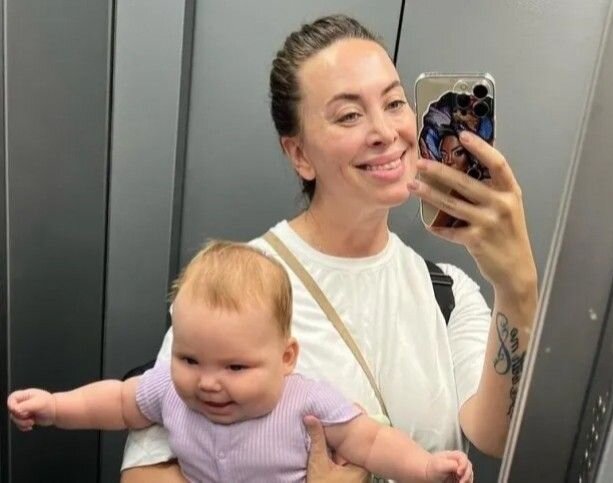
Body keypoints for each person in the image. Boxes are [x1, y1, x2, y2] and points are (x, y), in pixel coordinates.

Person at [121, 14, 538, 483]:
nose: (385, 132)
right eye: (349, 115)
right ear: (300, 155)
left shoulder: (448, 293)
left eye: (394, 103)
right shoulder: (236, 282)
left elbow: (496, 435)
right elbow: (144, 475)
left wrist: (517, 287)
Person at [8, 241, 473, 483]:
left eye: (235, 368)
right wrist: (55, 407)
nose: (208, 383)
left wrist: (425, 468)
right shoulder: (169, 389)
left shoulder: (306, 402)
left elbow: (370, 441)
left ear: (286, 358)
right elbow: (117, 402)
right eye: (190, 359)